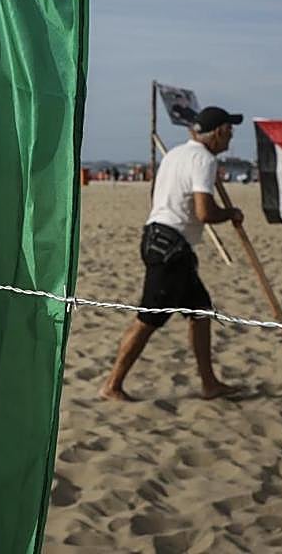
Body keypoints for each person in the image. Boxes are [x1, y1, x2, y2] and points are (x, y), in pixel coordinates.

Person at [100, 106, 245, 401]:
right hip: (170, 248)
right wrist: (231, 213)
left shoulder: (176, 154)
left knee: (201, 311)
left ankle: (209, 382)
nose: (232, 137)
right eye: (229, 130)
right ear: (217, 132)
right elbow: (204, 212)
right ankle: (112, 384)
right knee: (148, 318)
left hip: (160, 239)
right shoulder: (204, 160)